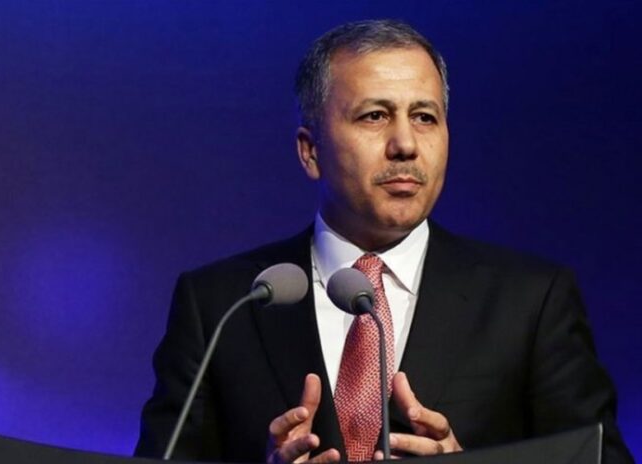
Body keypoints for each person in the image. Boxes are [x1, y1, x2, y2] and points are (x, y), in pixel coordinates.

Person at [135, 19, 633, 463]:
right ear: (310, 152)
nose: (406, 145)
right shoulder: (222, 305)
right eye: (374, 116)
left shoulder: (531, 301)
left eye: (425, 117)